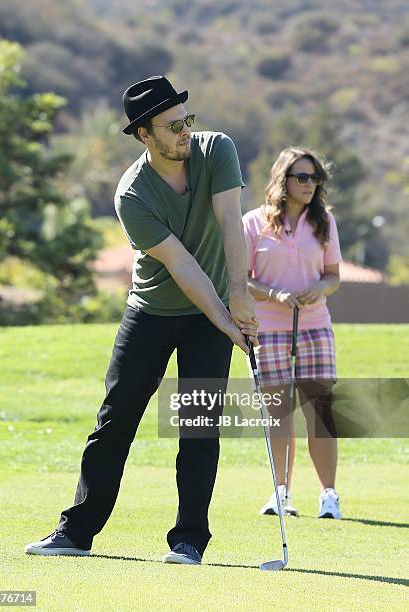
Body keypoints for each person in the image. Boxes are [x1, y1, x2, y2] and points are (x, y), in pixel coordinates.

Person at [25, 75, 258, 564]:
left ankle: (189, 540)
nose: (184, 132)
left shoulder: (217, 150)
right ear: (143, 135)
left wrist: (239, 296)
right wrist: (226, 321)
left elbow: (230, 225)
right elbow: (182, 266)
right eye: (171, 126)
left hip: (208, 311)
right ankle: (76, 533)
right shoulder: (132, 195)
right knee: (114, 424)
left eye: (186, 120)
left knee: (198, 426)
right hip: (150, 313)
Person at [243, 146, 343, 519]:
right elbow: (241, 278)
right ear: (282, 180)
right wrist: (274, 293)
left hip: (315, 325)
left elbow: (333, 275)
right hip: (268, 327)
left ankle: (329, 495)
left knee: (319, 412)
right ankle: (281, 492)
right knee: (278, 414)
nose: (310, 184)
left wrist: (320, 287)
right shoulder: (253, 222)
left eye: (315, 178)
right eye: (302, 177)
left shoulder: (325, 222)